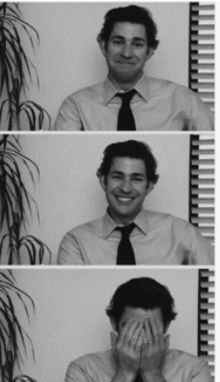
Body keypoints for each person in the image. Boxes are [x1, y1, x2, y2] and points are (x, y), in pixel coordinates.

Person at [54, 5, 213, 131]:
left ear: (149, 51)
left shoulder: (185, 101)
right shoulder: (76, 105)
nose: (127, 53)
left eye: (137, 44)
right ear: (103, 46)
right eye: (118, 42)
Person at [57, 140, 213, 265]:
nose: (125, 188)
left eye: (137, 179)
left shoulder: (182, 233)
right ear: (103, 180)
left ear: (149, 186)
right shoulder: (76, 242)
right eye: (117, 177)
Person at [65, 277, 212, 382]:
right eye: (131, 327)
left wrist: (152, 373)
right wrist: (125, 373)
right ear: (114, 323)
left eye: (149, 328)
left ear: (166, 326)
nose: (140, 338)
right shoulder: (83, 370)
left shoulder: (194, 369)